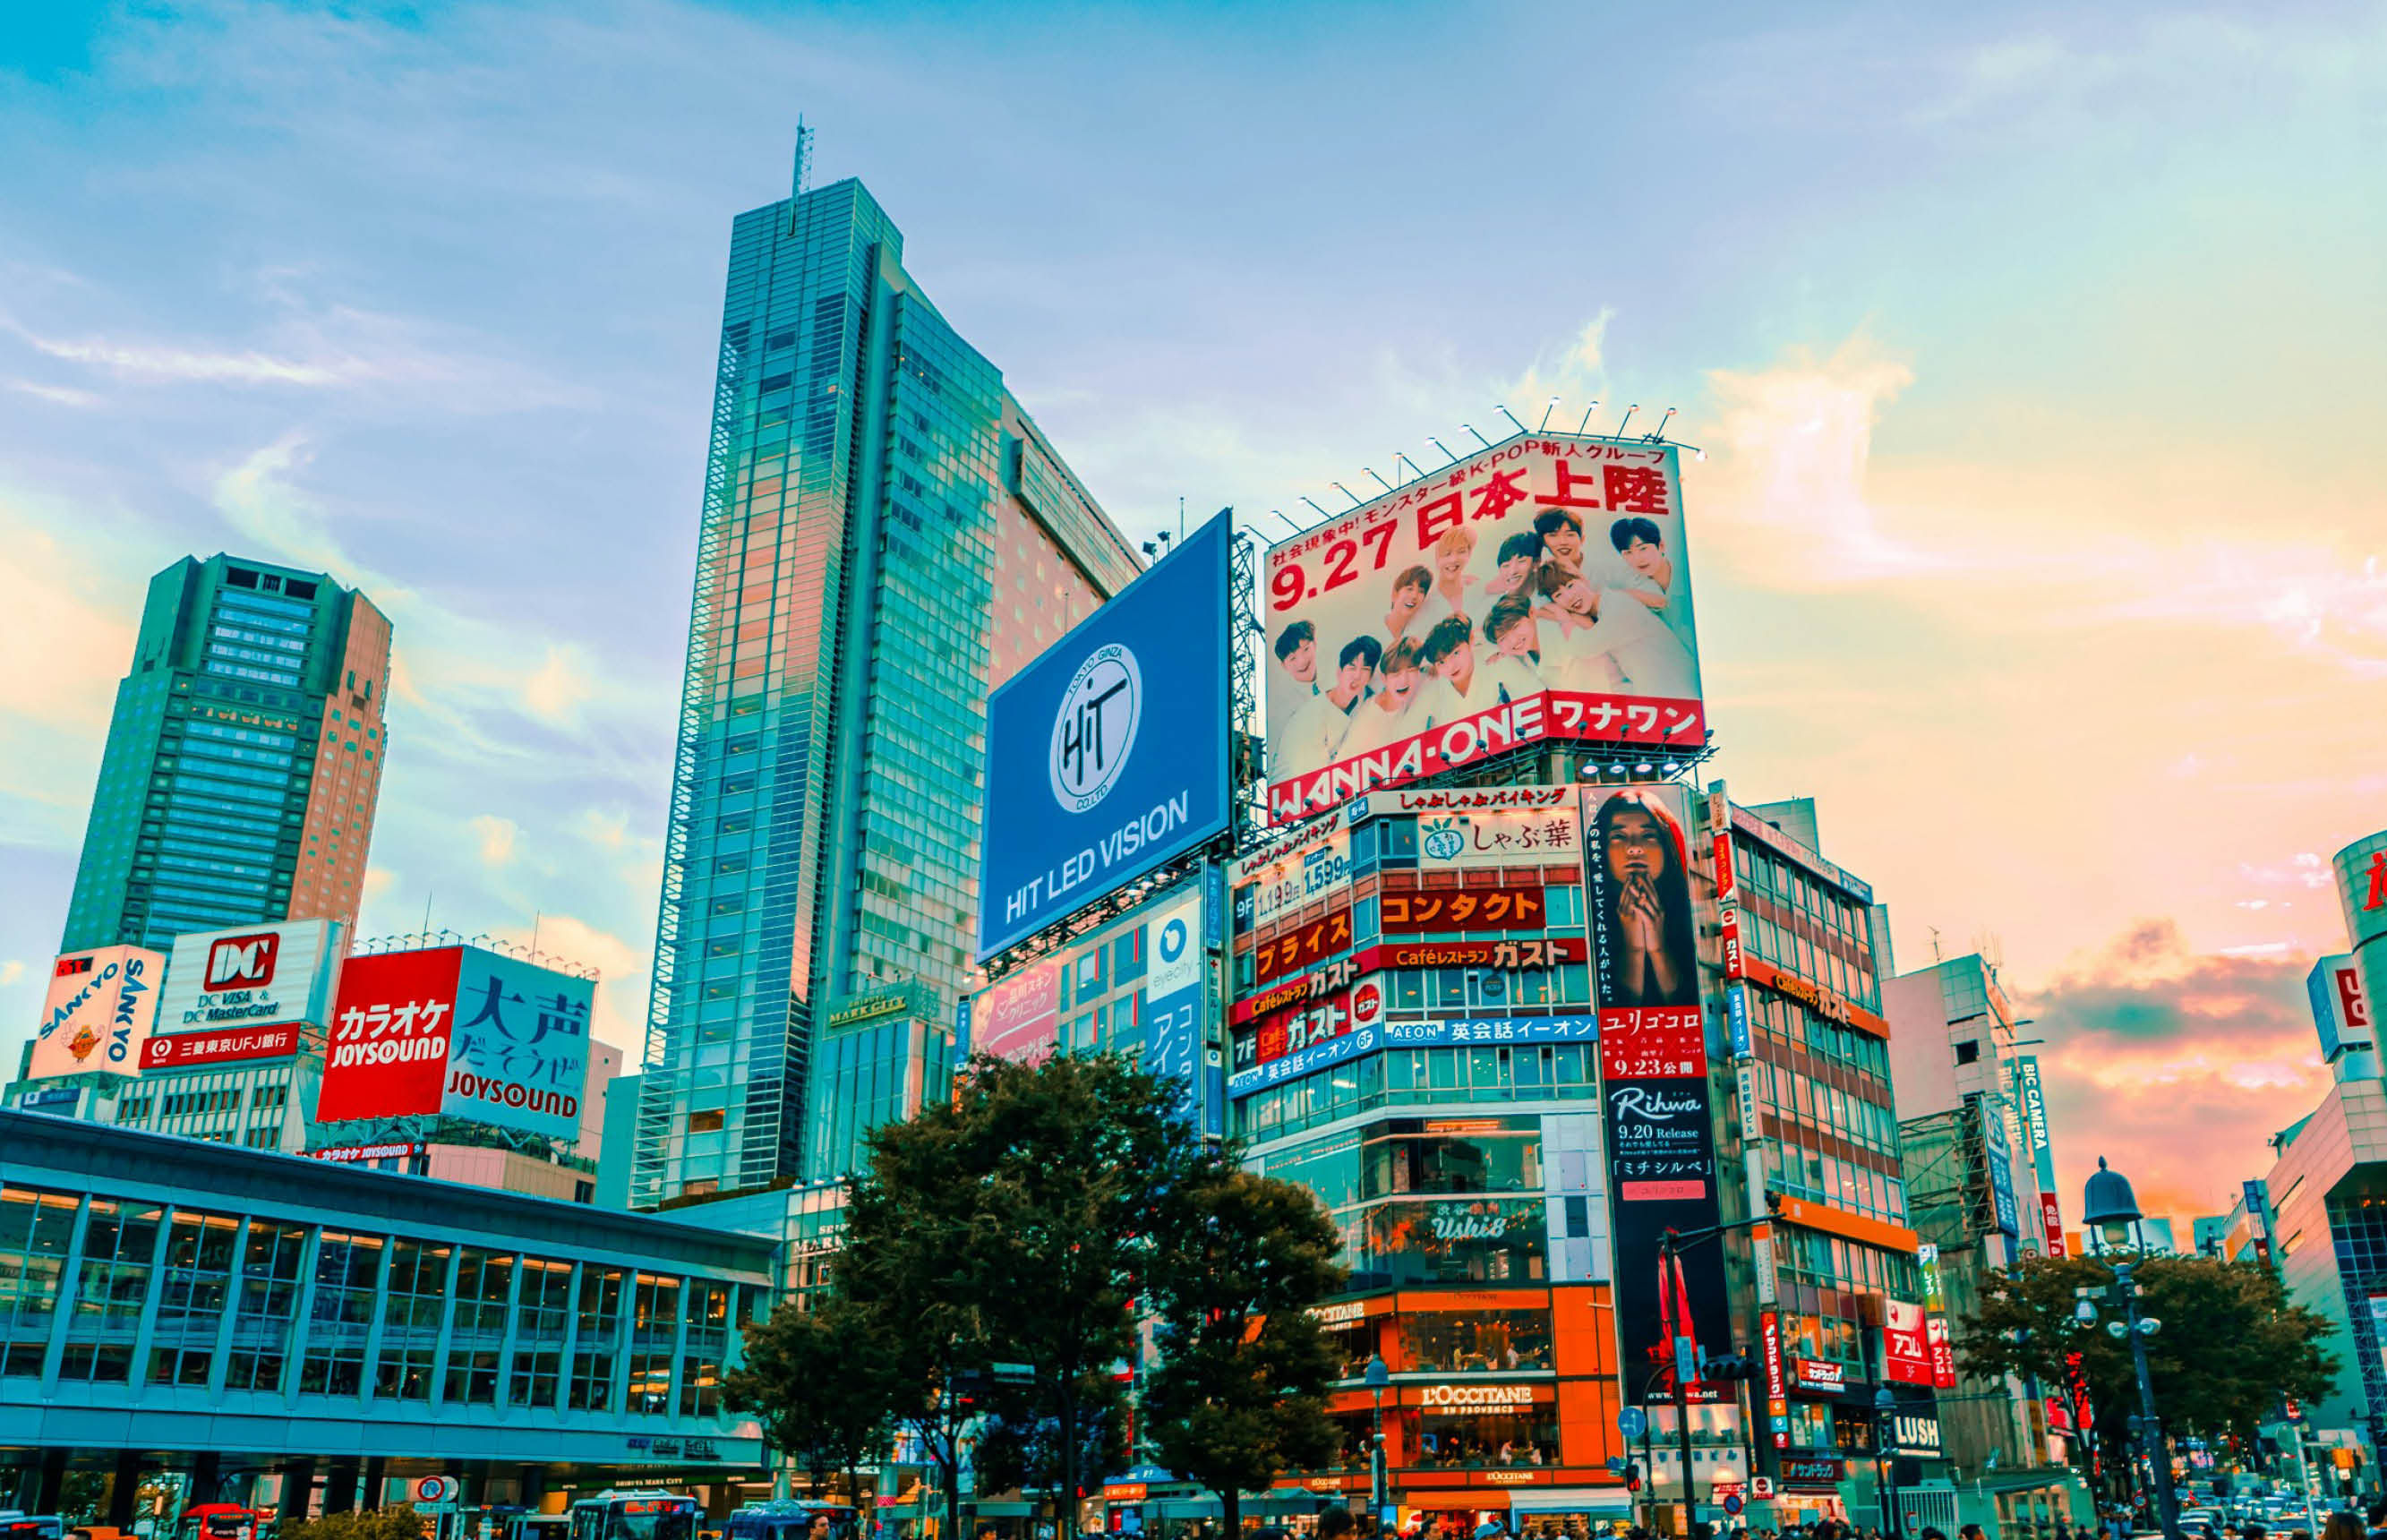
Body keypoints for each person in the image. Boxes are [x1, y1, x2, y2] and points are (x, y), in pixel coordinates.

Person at [1593, 788, 1699, 1006]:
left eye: (1648, 836)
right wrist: (1634, 949)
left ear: (1666, 845)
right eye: (1619, 837)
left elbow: (1686, 1002)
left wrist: (1657, 948)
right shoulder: (1589, 916)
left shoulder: (1694, 914)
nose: (1634, 849)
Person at [1533, 563, 1698, 699]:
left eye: (1570, 585)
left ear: (1583, 580)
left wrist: (1563, 617)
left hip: (1679, 692)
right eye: (1558, 595)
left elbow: (1584, 647)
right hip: (1664, 695)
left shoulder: (1618, 606)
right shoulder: (1604, 611)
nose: (1569, 597)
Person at [1279, 635, 1380, 778]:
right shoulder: (1311, 715)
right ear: (1339, 671)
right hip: (1296, 788)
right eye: (1352, 667)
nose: (1357, 675)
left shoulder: (1365, 703)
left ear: (1370, 676)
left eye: (1365, 669)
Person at [1609, 515, 1694, 650]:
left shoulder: (1687, 578)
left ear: (1661, 546)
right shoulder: (1630, 583)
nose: (1638, 559)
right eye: (1628, 553)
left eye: (1643, 549)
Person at [1336, 638, 1426, 761]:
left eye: (1410, 671)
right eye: (1396, 674)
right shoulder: (1371, 717)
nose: (1404, 680)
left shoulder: (1416, 697)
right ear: (1384, 678)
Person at [1415, 616, 1486, 726]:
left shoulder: (1493, 660)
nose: (1451, 666)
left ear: (1470, 642)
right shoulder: (1434, 690)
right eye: (1441, 663)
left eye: (1456, 653)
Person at [1477, 595, 1547, 705]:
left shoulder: (1561, 642)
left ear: (1531, 613)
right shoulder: (1523, 660)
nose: (1514, 640)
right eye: (1503, 638)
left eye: (1516, 627)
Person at [1419, 526, 1479, 630]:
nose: (1453, 559)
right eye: (1447, 554)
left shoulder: (1478, 589)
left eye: (1461, 551)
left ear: (1469, 554)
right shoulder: (1426, 604)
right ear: (1437, 558)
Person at [1484, 529, 1544, 599]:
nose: (1512, 572)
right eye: (1506, 565)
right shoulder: (1492, 603)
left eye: (1521, 561)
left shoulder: (1549, 601)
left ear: (1536, 562)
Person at [1384, 565, 1433, 645]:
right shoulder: (1373, 629)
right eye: (1409, 589)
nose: (1414, 596)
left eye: (1421, 591)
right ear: (1395, 594)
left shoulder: (1416, 638)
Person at [1274, 620, 1321, 698]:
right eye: (1292, 658)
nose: (1302, 661)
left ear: (1315, 644)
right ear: (1284, 666)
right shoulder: (1287, 700)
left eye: (1306, 649)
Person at [1533, 509, 1587, 574]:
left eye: (1570, 535)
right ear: (1543, 542)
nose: (1563, 542)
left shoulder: (1597, 571)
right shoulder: (1542, 573)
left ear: (1582, 539)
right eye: (1553, 535)